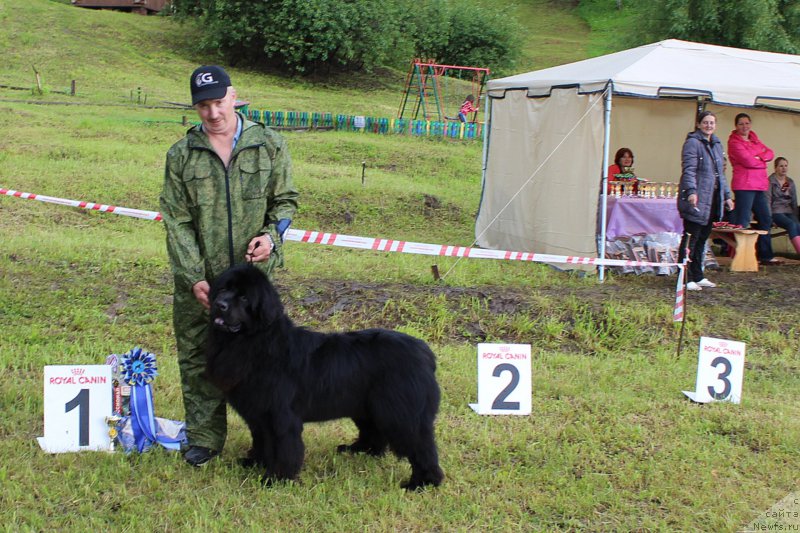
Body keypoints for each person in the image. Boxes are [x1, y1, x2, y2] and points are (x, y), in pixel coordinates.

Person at [160, 65, 299, 466]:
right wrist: (192, 279)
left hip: (252, 286)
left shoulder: (269, 144)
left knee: (262, 361)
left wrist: (272, 236)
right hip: (200, 283)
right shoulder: (181, 155)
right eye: (203, 106)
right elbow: (177, 221)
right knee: (198, 355)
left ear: (234, 96)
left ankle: (266, 437)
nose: (213, 113)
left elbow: (286, 202)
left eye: (219, 102)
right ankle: (204, 438)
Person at [677, 111, 734, 291]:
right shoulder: (692, 144)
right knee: (691, 239)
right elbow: (689, 170)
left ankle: (698, 275)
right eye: (705, 122)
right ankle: (685, 277)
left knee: (703, 239)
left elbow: (721, 175)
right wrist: (692, 191)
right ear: (699, 124)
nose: (709, 125)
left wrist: (726, 195)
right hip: (698, 198)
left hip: (712, 199)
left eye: (712, 122)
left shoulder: (716, 144)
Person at [727, 113, 779, 263]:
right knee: (743, 221)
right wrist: (761, 159)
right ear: (736, 126)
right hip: (744, 185)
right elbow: (748, 161)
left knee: (765, 219)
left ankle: (765, 255)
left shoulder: (754, 139)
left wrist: (759, 157)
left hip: (759, 185)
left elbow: (770, 153)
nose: (745, 127)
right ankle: (740, 257)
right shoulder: (734, 142)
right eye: (741, 124)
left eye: (747, 123)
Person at [768, 157, 800, 254]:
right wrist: (770, 218)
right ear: (775, 168)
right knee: (791, 225)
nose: (784, 168)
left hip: (788, 211)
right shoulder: (770, 181)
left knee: (798, 225)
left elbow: (794, 200)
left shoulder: (789, 182)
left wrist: (796, 215)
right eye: (781, 166)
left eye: (786, 166)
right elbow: (767, 200)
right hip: (776, 211)